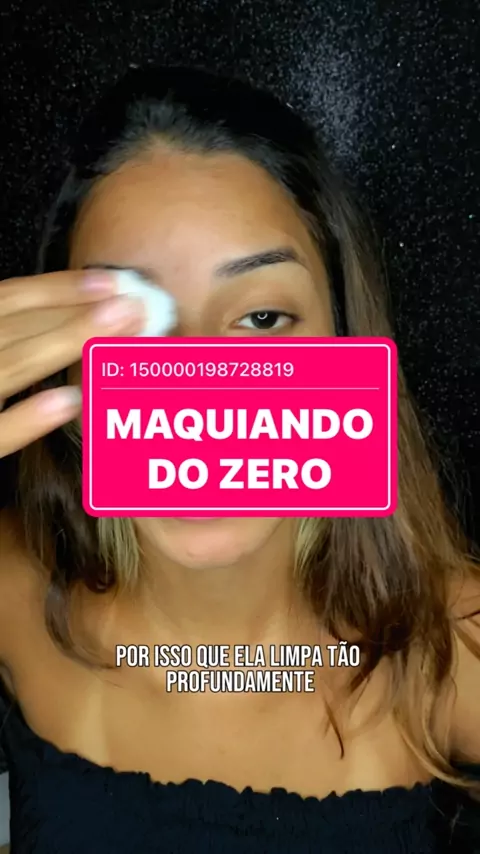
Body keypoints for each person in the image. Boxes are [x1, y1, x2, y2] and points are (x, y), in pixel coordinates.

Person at [0, 64, 479, 854]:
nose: (200, 393)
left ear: (347, 349)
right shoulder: (14, 587)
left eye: (261, 318)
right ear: (64, 373)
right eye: (133, 329)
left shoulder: (452, 644)